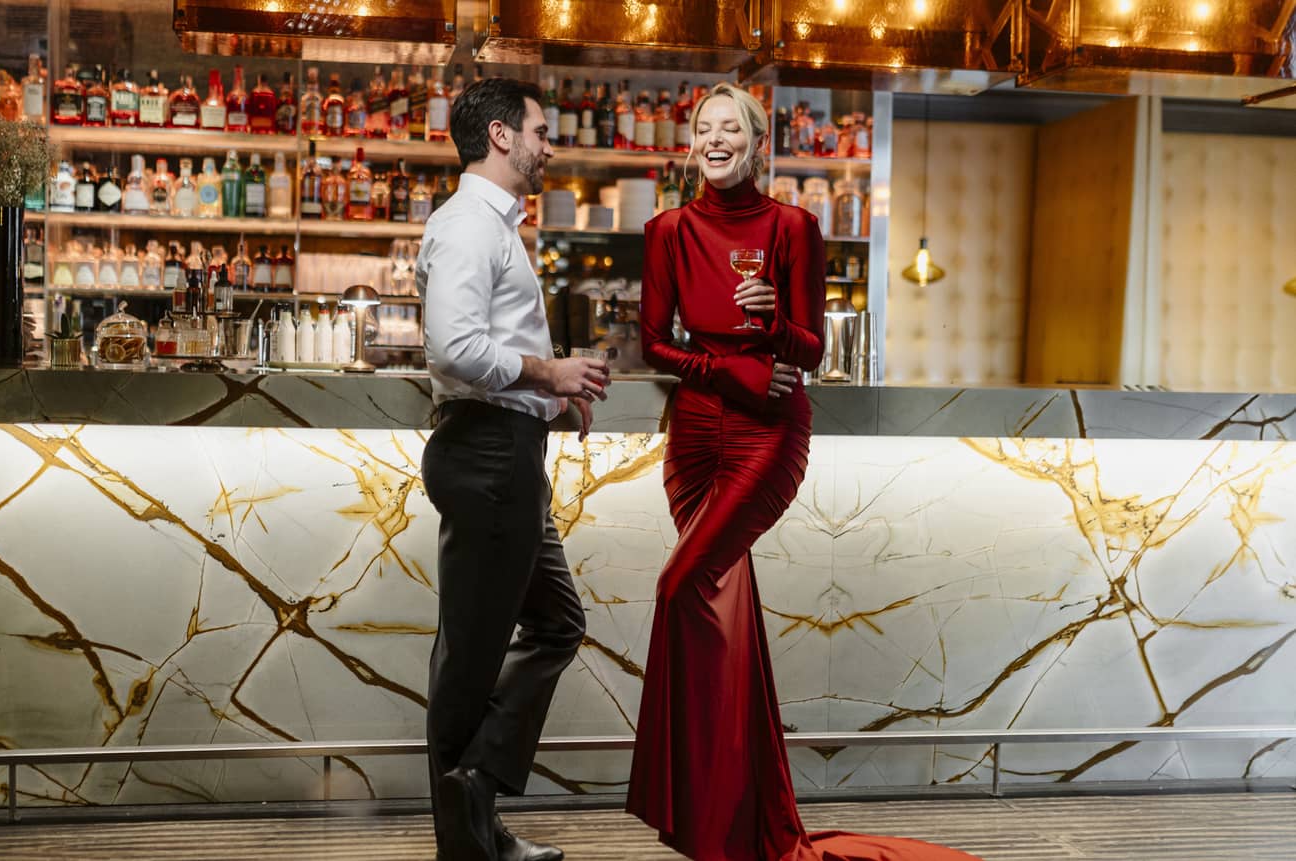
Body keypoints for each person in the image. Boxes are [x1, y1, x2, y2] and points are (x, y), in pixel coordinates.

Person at [625, 82, 982, 861]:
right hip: (693, 436)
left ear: (758, 144)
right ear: (692, 142)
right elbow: (654, 345)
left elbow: (812, 349)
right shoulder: (666, 230)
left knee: (679, 585)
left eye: (732, 129)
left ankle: (697, 808)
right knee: (725, 619)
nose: (715, 139)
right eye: (703, 128)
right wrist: (728, 370)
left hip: (766, 436)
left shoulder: (794, 226)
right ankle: (731, 821)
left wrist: (771, 325)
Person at [416, 76, 612, 861]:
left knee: (554, 622)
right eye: (539, 129)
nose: (548, 143)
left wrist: (550, 402)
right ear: (501, 135)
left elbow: (478, 348)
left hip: (507, 449)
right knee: (468, 662)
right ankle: (469, 829)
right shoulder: (469, 224)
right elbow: (454, 348)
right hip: (488, 456)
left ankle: (476, 801)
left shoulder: (493, 224)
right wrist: (550, 374)